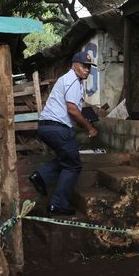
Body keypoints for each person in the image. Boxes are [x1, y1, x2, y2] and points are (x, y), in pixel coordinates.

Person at [28, 50, 99, 215]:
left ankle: (41, 176)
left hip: (46, 127)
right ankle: (58, 204)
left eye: (89, 67)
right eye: (84, 66)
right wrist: (90, 127)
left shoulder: (67, 79)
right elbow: (72, 109)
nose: (87, 70)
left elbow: (71, 110)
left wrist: (81, 120)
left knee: (67, 158)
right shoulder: (73, 81)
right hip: (58, 128)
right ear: (74, 65)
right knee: (73, 165)